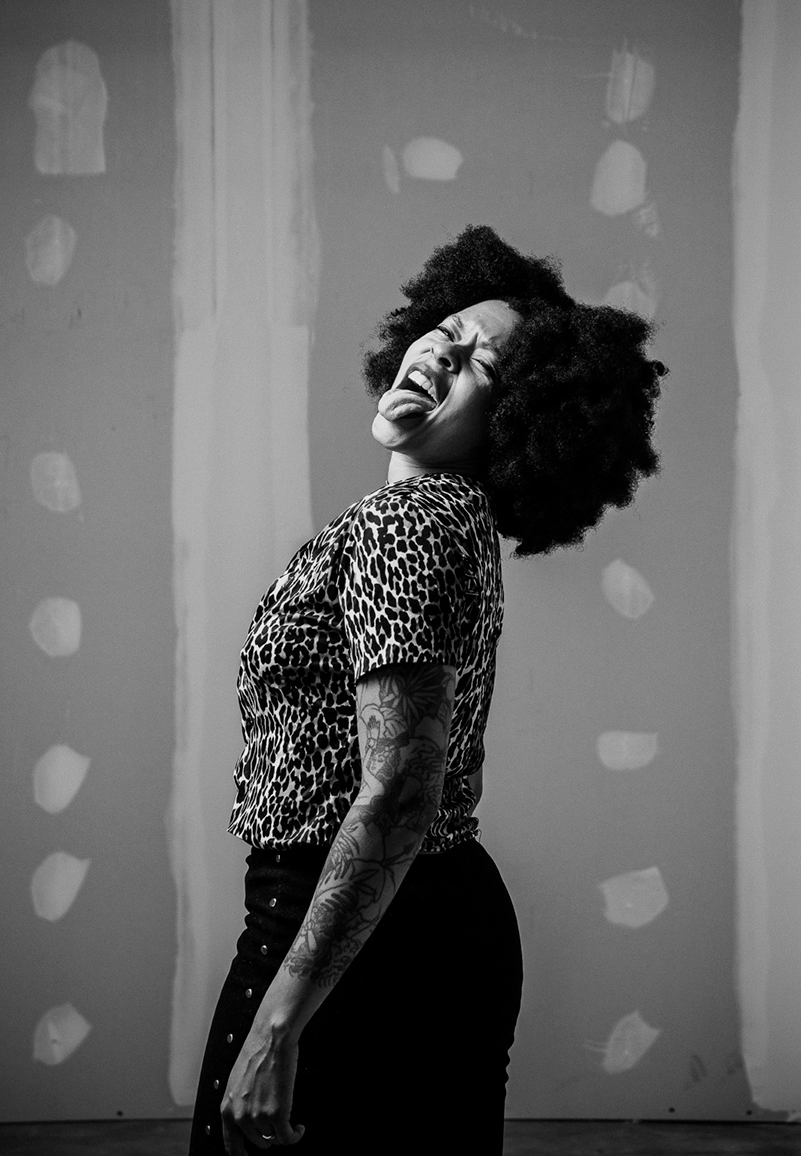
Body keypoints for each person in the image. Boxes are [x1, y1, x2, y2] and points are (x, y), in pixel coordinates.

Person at [188, 224, 666, 1155]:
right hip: (422, 916)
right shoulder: (454, 521)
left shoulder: (408, 522)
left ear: (520, 421)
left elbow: (403, 788)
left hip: (353, 925)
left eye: (481, 362)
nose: (441, 353)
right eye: (443, 331)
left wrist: (279, 1026)